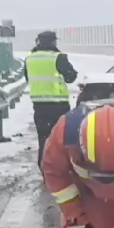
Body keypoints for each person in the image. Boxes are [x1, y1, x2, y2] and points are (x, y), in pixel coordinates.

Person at [25, 30, 79, 167]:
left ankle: (44, 167)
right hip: (58, 105)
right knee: (61, 139)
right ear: (53, 42)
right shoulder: (57, 57)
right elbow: (71, 77)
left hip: (38, 105)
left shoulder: (30, 58)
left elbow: (27, 78)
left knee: (43, 139)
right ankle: (60, 168)